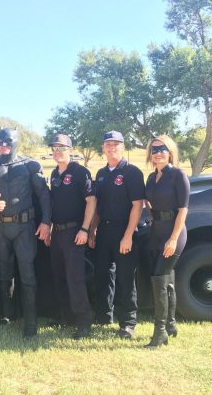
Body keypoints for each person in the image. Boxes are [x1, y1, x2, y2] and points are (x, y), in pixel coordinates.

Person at [0, 127, 51, 337]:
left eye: (8, 141)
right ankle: (7, 315)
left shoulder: (30, 165)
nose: (3, 145)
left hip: (24, 227)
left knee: (27, 274)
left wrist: (46, 222)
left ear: (16, 142)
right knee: (4, 273)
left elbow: (44, 195)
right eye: (0, 141)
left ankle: (31, 322)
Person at [89, 130, 145, 339]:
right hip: (104, 230)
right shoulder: (101, 174)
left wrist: (128, 235)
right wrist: (93, 229)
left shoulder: (132, 172)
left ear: (123, 146)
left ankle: (128, 322)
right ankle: (104, 316)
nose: (111, 148)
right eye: (108, 144)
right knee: (103, 275)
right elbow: (98, 206)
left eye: (116, 144)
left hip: (125, 230)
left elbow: (137, 206)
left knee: (125, 278)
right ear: (103, 148)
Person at [48, 134, 96, 340]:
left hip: (74, 232)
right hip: (57, 232)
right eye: (54, 148)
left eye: (62, 147)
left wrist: (85, 229)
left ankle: (84, 322)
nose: (58, 151)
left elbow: (91, 201)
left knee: (75, 279)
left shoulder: (80, 172)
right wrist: (49, 228)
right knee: (59, 277)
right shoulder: (53, 173)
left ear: (70, 149)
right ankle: (65, 317)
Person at [144, 135, 189, 348]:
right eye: (154, 149)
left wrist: (172, 238)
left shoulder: (178, 175)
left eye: (162, 148)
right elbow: (149, 204)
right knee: (167, 278)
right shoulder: (152, 178)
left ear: (170, 151)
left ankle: (160, 332)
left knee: (159, 278)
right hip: (157, 232)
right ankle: (170, 324)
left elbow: (183, 210)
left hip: (174, 233)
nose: (158, 152)